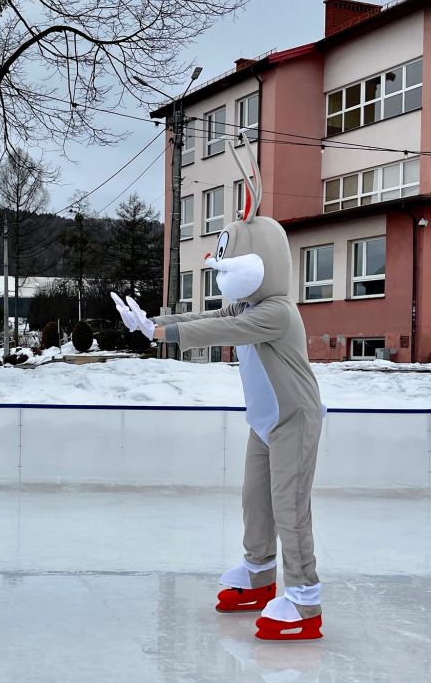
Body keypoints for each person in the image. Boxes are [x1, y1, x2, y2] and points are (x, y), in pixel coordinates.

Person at [113, 137, 325, 641]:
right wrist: (153, 323)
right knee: (256, 501)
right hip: (264, 423)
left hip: (294, 420)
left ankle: (303, 596)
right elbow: (205, 316)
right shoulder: (247, 305)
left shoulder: (275, 312)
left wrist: (162, 335)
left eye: (229, 267)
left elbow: (219, 331)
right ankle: (259, 571)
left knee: (289, 506)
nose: (222, 276)